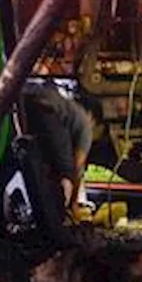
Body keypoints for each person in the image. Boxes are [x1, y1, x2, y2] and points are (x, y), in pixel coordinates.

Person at [22, 82, 95, 218]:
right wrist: (74, 203)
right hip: (49, 112)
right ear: (93, 117)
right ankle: (60, 214)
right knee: (65, 170)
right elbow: (77, 168)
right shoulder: (86, 125)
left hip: (26, 101)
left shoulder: (70, 108)